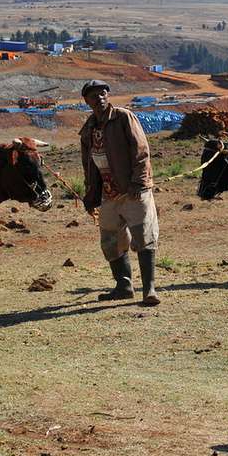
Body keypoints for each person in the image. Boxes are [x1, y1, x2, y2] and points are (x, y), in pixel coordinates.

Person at [79, 79, 161, 306]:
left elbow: (141, 151)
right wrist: (91, 193)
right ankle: (123, 286)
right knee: (110, 241)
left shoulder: (124, 117)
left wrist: (139, 182)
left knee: (144, 237)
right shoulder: (88, 128)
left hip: (133, 190)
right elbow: (89, 164)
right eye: (94, 96)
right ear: (86, 101)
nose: (99, 98)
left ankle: (149, 289)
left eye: (103, 93)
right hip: (108, 194)